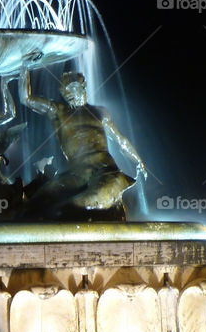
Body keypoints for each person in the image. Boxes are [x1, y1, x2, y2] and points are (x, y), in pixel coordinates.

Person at [18, 56, 147, 218]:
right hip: (76, 174)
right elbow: (26, 99)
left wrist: (138, 161)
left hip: (105, 171)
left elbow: (120, 140)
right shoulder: (58, 110)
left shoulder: (100, 112)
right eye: (66, 92)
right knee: (37, 202)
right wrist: (25, 66)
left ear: (83, 87)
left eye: (73, 88)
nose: (70, 94)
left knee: (83, 205)